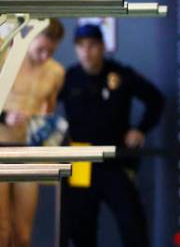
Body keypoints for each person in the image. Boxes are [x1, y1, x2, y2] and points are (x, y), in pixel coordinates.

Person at [59, 24, 165, 247]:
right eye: (80, 46)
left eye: (92, 45)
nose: (86, 51)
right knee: (81, 231)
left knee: (133, 225)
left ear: (103, 47)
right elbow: (43, 107)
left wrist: (141, 129)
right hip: (80, 162)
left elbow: (156, 100)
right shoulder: (68, 77)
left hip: (116, 159)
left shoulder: (121, 74)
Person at [0, 19, 65, 247]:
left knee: (23, 233)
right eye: (40, 49)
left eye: (51, 51)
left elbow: (48, 111)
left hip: (27, 153)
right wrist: (4, 116)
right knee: (2, 231)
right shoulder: (5, 59)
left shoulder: (56, 72)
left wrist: (46, 132)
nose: (45, 56)